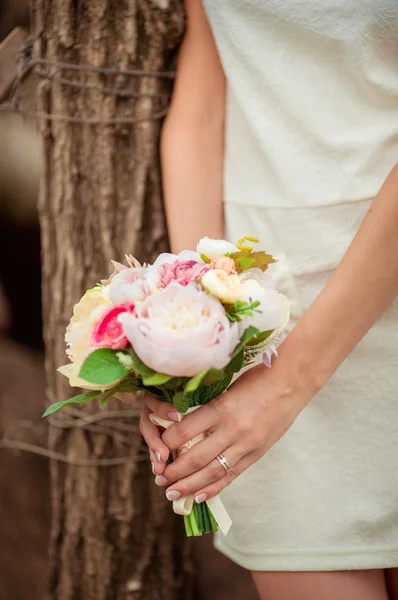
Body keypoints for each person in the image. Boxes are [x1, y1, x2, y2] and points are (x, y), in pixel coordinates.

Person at [140, 1, 398, 598]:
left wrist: (286, 385)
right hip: (264, 311)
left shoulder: (277, 389)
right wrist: (195, 328)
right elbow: (204, 98)